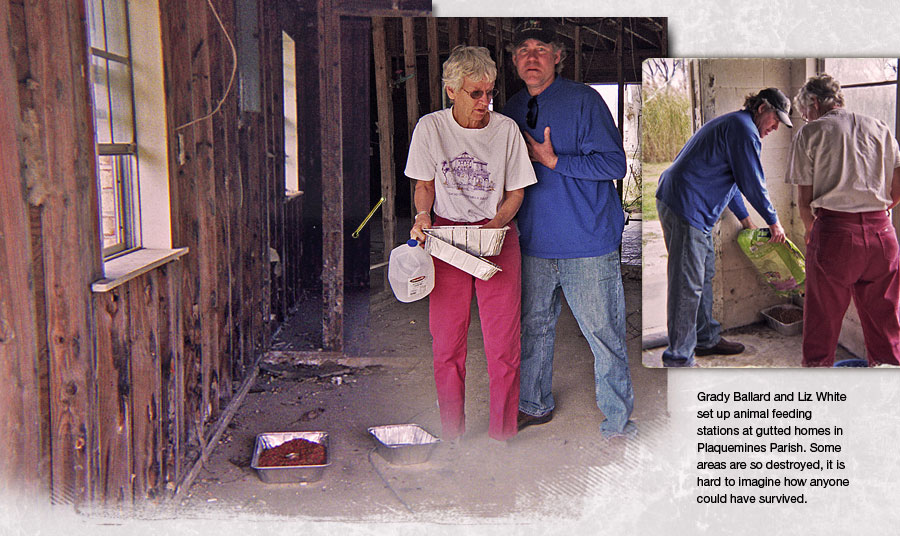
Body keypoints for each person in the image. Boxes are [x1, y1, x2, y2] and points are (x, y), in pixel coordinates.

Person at [502, 19, 635, 438]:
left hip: (588, 241)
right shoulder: (508, 109)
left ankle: (617, 420)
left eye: (541, 49)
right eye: (523, 51)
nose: (532, 57)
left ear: (559, 56)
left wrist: (554, 161)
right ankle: (533, 405)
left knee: (604, 334)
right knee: (534, 328)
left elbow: (615, 164)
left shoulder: (584, 101)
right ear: (513, 61)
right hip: (534, 242)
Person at [405, 45, 537, 443]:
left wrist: (494, 225)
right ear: (451, 91)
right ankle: (453, 435)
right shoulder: (431, 128)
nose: (485, 102)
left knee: (503, 345)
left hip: (496, 236)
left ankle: (502, 434)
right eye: (475, 93)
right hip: (446, 238)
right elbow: (424, 185)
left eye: (489, 92)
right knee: (446, 344)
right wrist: (422, 217)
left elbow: (516, 192)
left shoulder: (506, 131)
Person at [655, 87, 790, 367]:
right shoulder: (744, 130)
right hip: (685, 205)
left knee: (703, 275)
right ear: (762, 108)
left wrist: (746, 221)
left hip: (691, 205)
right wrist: (774, 222)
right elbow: (753, 183)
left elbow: (733, 181)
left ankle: (705, 339)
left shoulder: (736, 125)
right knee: (687, 284)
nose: (776, 127)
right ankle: (678, 357)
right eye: (776, 119)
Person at [786, 74, 900, 367]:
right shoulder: (881, 128)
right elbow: (897, 188)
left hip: (835, 233)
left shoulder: (812, 132)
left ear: (814, 101)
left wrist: (814, 234)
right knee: (886, 328)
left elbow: (803, 201)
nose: (806, 117)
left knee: (821, 329)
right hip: (883, 236)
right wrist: (876, 214)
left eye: (805, 112)